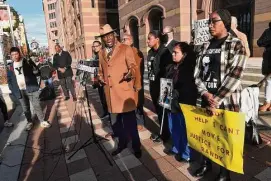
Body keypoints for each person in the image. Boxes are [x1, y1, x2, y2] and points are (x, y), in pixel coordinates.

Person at [193, 9, 248, 181]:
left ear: (224, 23)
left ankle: (224, 172)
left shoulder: (236, 44)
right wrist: (204, 92)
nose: (209, 25)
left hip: (226, 101)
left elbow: (236, 75)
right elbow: (197, 74)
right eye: (209, 21)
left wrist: (215, 100)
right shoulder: (205, 46)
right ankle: (206, 163)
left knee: (224, 137)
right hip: (205, 99)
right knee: (206, 134)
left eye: (213, 21)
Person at [97, 24, 141, 158]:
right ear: (103, 39)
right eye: (105, 36)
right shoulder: (101, 53)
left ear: (114, 35)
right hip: (110, 95)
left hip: (124, 93)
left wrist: (129, 73)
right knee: (116, 126)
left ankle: (136, 146)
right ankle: (122, 144)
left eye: (110, 35)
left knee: (130, 125)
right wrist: (99, 77)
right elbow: (100, 70)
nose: (108, 38)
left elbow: (134, 67)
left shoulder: (125, 48)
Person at [163, 42, 197, 162]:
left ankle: (187, 153)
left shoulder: (190, 68)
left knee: (185, 129)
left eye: (176, 52)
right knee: (174, 128)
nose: (173, 54)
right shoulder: (171, 67)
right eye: (173, 52)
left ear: (184, 54)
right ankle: (177, 148)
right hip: (171, 103)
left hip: (184, 103)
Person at [7, 47, 51, 131]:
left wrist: (32, 65)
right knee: (25, 108)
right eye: (13, 55)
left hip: (31, 88)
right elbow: (9, 80)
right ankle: (29, 122)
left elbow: (37, 72)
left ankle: (42, 121)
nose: (15, 56)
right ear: (11, 56)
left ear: (19, 53)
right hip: (20, 91)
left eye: (16, 54)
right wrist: (13, 90)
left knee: (36, 105)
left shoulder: (26, 62)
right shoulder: (10, 67)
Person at [147, 30, 173, 143]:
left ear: (157, 39)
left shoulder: (165, 52)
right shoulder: (150, 52)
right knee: (158, 111)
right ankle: (164, 132)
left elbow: (168, 72)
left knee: (164, 113)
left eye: (149, 38)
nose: (147, 41)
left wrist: (165, 90)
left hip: (163, 87)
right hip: (153, 86)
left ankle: (165, 135)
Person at [122, 33, 145, 130]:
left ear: (131, 41)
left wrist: (137, 83)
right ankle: (131, 122)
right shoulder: (123, 52)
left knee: (138, 103)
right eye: (122, 40)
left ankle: (140, 122)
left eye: (125, 39)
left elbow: (139, 70)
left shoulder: (136, 52)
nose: (122, 41)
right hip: (126, 84)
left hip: (135, 83)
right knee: (129, 104)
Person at [92, 40, 109, 119]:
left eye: (96, 46)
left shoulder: (103, 54)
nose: (94, 48)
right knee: (102, 97)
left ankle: (110, 114)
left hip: (104, 79)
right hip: (98, 79)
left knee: (106, 98)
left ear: (100, 46)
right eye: (93, 46)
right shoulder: (95, 56)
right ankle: (105, 112)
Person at [257, 22, 271, 112]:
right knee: (269, 81)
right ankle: (267, 102)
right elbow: (259, 42)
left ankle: (267, 102)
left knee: (269, 81)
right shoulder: (268, 31)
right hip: (268, 59)